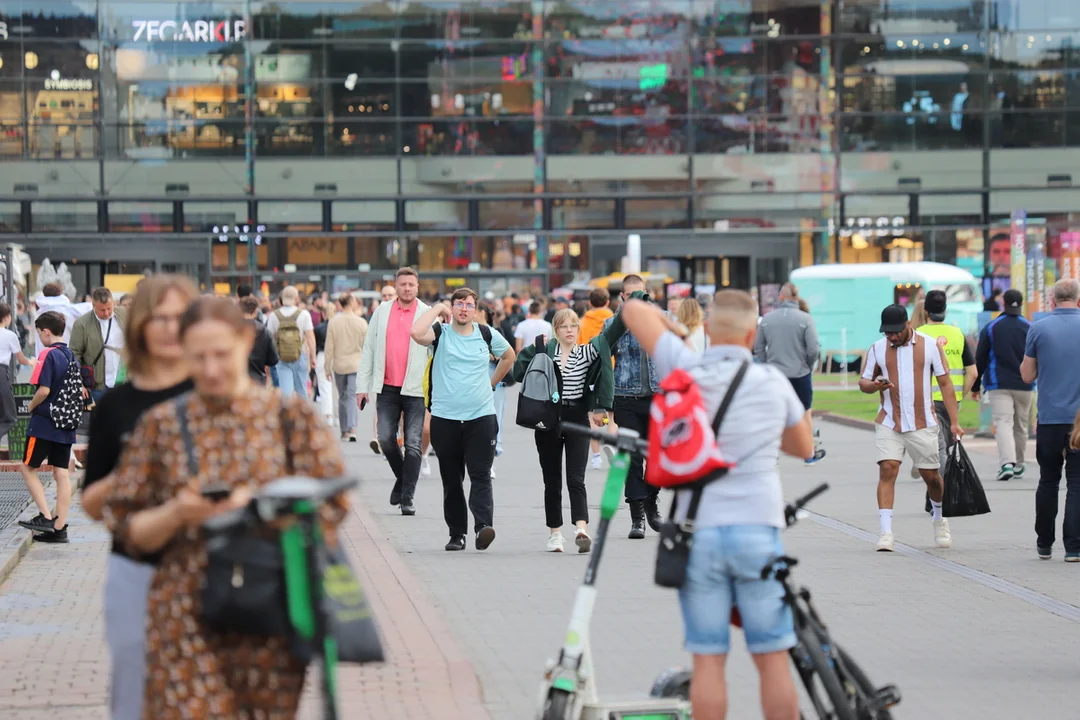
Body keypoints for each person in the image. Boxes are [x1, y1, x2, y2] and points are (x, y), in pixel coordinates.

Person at [103, 297, 346, 717]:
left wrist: (257, 508)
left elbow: (333, 506)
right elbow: (127, 527)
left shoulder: (291, 418)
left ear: (244, 341)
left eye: (222, 354)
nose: (211, 369)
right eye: (198, 357)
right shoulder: (160, 424)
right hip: (184, 612)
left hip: (271, 610)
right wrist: (177, 512)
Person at [619, 290, 813, 720]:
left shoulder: (683, 366)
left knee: (708, 658)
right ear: (751, 336)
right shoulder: (771, 383)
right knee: (772, 656)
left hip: (698, 532)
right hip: (757, 530)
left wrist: (675, 332)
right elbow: (802, 446)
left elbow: (632, 309)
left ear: (707, 328)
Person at [80, 274, 197, 720]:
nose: (170, 327)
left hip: (210, 562)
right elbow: (91, 504)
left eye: (179, 317)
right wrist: (138, 463)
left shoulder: (214, 393)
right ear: (141, 325)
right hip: (135, 566)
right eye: (158, 318)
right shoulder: (117, 405)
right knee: (135, 690)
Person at [513, 306, 625, 553]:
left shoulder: (585, 353)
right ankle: (555, 533)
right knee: (551, 480)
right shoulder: (544, 351)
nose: (569, 330)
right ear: (555, 329)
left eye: (573, 325)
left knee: (576, 478)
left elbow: (611, 334)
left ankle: (581, 528)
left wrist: (630, 305)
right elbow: (517, 372)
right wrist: (535, 351)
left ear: (578, 328)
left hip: (576, 418)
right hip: (548, 418)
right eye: (563, 326)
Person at [411, 288, 514, 551]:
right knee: (452, 479)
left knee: (480, 475)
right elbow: (415, 333)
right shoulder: (440, 333)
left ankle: (482, 527)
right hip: (445, 419)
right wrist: (437, 309)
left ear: (476, 310)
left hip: (480, 417)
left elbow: (509, 356)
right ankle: (457, 534)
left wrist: (492, 383)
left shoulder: (486, 334)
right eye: (459, 304)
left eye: (469, 305)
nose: (464, 309)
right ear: (453, 308)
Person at [860, 304, 962, 552]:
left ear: (908, 325)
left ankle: (939, 518)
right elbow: (863, 382)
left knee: (932, 478)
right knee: (888, 469)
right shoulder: (877, 348)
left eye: (895, 332)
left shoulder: (929, 345)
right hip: (888, 421)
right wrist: (875, 386)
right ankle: (886, 532)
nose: (891, 337)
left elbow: (946, 384)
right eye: (887, 333)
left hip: (922, 421)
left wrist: (955, 421)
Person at [357, 267, 431, 514]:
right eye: (403, 284)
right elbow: (369, 349)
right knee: (386, 439)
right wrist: (362, 387)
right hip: (387, 387)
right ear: (396, 286)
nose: (407, 288)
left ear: (417, 286)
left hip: (416, 389)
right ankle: (403, 480)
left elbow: (437, 353)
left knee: (412, 443)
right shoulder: (382, 312)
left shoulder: (427, 313)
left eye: (411, 284)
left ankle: (407, 497)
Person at [1020, 278, 1080, 561]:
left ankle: (1044, 543)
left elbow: (1027, 375)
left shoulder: (1038, 328)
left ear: (1052, 300)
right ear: (1079, 300)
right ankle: (1073, 547)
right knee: (1077, 483)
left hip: (1050, 418)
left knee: (1048, 480)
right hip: (1079, 421)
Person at [603, 275, 662, 537]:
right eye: (631, 295)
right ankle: (637, 516)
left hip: (658, 398)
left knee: (658, 456)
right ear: (623, 297)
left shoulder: (659, 318)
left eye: (641, 294)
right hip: (626, 397)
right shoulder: (612, 323)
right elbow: (604, 353)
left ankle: (651, 499)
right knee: (632, 458)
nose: (637, 299)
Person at [16, 311, 80, 543]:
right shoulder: (72, 355)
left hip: (44, 423)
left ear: (46, 331)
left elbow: (43, 390)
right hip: (65, 423)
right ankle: (59, 527)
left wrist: (32, 407)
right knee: (61, 473)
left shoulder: (48, 354)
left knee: (27, 468)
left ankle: (44, 516)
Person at [752, 283, 824, 464]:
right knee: (806, 411)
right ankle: (809, 452)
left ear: (780, 298)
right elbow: (813, 348)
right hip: (800, 372)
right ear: (796, 298)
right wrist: (807, 364)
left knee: (774, 414)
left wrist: (767, 361)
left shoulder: (767, 319)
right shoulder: (806, 319)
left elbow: (758, 346)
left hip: (776, 373)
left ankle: (771, 455)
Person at [972, 289, 1033, 482]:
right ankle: (1019, 465)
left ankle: (1007, 463)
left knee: (1003, 423)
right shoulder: (1030, 327)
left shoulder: (991, 327)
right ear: (1021, 303)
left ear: (1003, 303)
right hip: (1025, 383)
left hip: (998, 383)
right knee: (1021, 426)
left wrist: (975, 385)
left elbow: (980, 359)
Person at [915, 289, 977, 477]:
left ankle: (940, 494)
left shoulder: (916, 335)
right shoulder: (958, 335)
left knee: (937, 449)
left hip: (926, 401)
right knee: (944, 447)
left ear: (926, 311)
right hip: (951, 400)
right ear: (945, 310)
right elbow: (973, 373)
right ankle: (938, 495)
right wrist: (959, 394)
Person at [578, 288, 616, 469]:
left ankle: (595, 458)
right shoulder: (613, 320)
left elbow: (578, 347)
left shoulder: (583, 323)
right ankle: (611, 441)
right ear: (608, 302)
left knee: (592, 417)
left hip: (591, 371)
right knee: (612, 416)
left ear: (590, 303)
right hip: (613, 369)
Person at [70, 287, 126, 404]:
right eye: (102, 310)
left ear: (113, 302)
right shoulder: (82, 324)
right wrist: (79, 384)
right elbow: (74, 355)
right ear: (93, 305)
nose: (106, 313)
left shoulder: (125, 315)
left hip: (124, 382)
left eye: (109, 309)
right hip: (97, 386)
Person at [325, 292, 368, 442]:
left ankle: (344, 430)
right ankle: (352, 428)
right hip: (356, 364)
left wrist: (326, 367)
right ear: (351, 303)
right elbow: (367, 346)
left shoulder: (333, 322)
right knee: (351, 396)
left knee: (342, 396)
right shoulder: (361, 322)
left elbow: (329, 347)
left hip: (339, 365)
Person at [267, 285, 316, 398]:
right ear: (297, 299)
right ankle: (302, 414)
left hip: (281, 356)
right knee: (302, 390)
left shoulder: (274, 315)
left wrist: (269, 360)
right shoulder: (304, 314)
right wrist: (313, 357)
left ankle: (288, 415)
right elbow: (310, 337)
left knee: (286, 392)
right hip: (301, 354)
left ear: (282, 299)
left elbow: (270, 339)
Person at [478, 305, 509, 468]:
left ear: (482, 313)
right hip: (475, 379)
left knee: (494, 417)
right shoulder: (467, 331)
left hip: (495, 377)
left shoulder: (495, 332)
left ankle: (492, 453)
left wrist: (491, 356)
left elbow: (507, 355)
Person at [0, 302, 34, 441]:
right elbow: (21, 359)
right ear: (7, 317)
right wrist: (31, 362)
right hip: (1, 374)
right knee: (10, 417)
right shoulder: (9, 335)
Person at [240, 296, 278, 384]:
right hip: (258, 378)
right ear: (255, 311)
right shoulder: (264, 330)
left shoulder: (232, 329)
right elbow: (273, 359)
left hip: (238, 379)